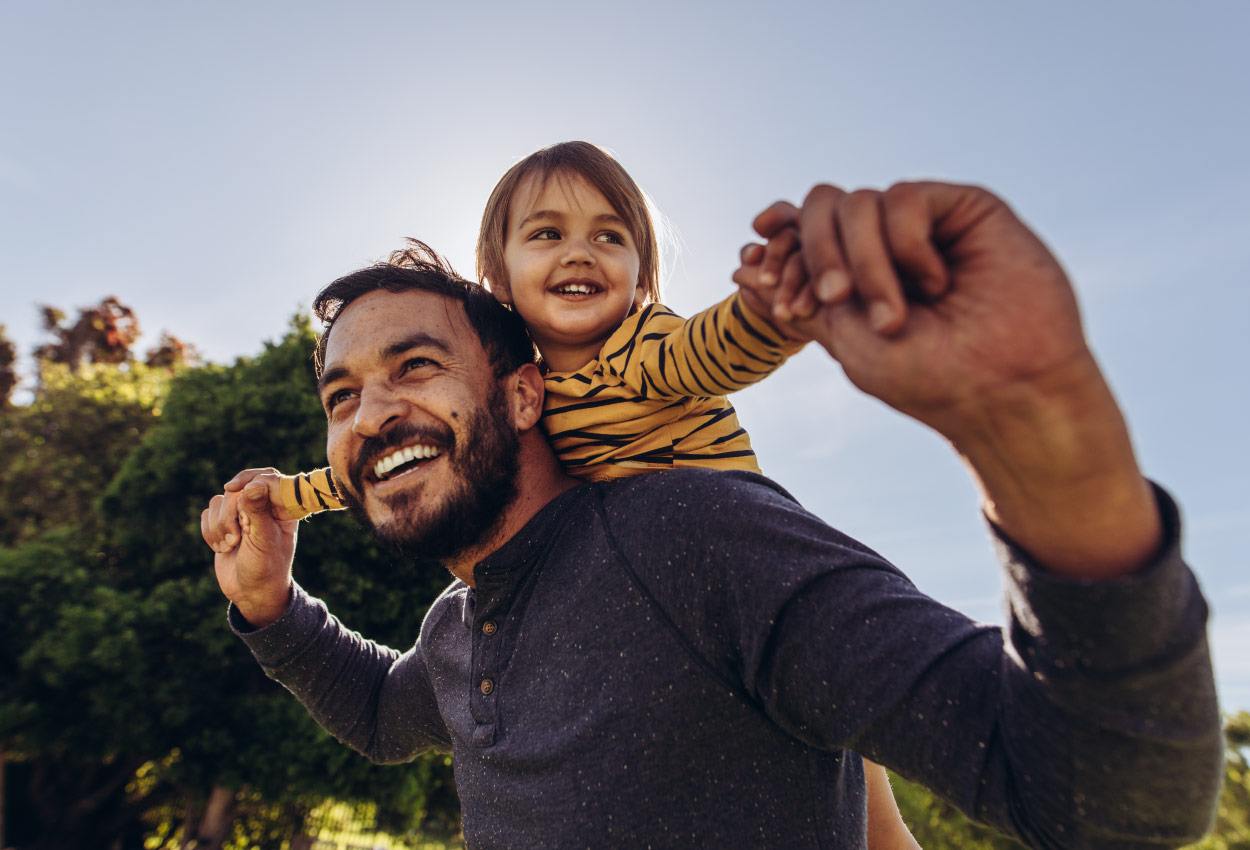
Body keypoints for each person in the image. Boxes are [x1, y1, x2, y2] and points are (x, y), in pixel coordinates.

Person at [202, 179, 1223, 849]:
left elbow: (1112, 797)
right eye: (341, 398)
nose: (372, 414)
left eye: (413, 367)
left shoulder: (689, 534)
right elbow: (384, 717)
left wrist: (1042, 434)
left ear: (522, 394)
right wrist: (270, 606)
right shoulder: (458, 627)